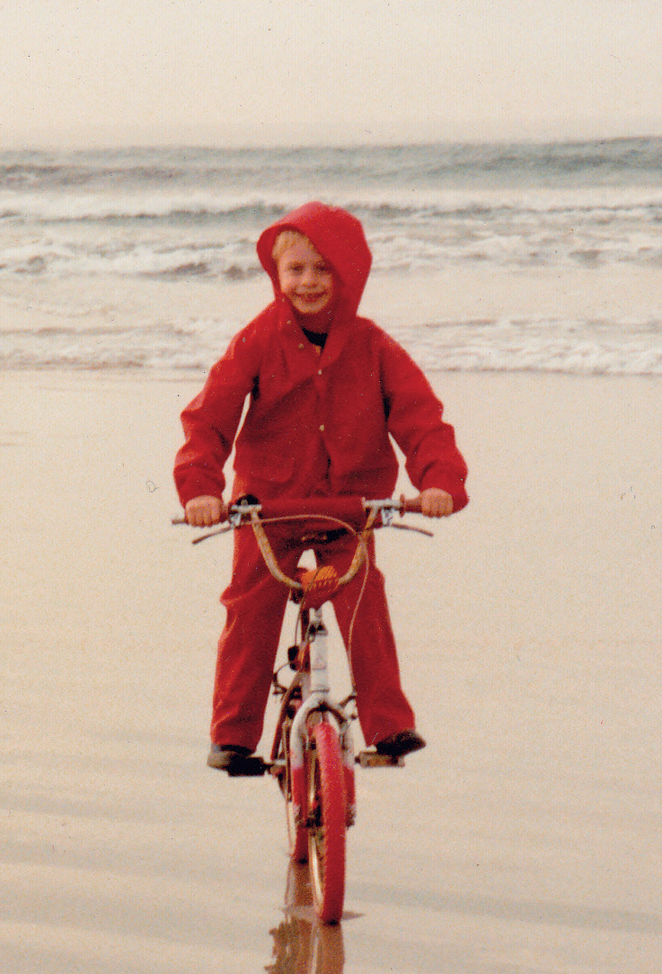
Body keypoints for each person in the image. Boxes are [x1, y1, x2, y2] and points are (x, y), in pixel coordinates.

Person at [174, 202, 468, 776]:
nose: (308, 282)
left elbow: (421, 419)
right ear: (277, 276)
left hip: (349, 510)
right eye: (296, 271)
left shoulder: (374, 346)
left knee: (363, 604)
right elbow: (209, 420)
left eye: (323, 269)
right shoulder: (255, 342)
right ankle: (233, 735)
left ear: (350, 273)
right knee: (249, 608)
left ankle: (388, 726)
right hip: (268, 511)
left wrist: (439, 481)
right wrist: (200, 489)